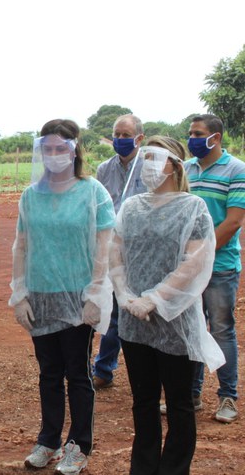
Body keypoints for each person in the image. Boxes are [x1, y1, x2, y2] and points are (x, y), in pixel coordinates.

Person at [110, 135, 224, 474]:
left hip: (176, 322)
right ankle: (143, 467)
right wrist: (124, 294)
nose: (147, 165)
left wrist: (155, 298)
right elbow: (114, 251)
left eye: (154, 158)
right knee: (143, 401)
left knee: (178, 403)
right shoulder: (132, 206)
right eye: (144, 159)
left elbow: (194, 263)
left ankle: (174, 468)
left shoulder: (193, 207)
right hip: (134, 320)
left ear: (174, 165)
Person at [9, 119, 114, 475]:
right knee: (49, 372)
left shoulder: (93, 192)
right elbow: (21, 246)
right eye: (48, 149)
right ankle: (49, 440)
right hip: (40, 295)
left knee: (78, 373)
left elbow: (104, 246)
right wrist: (19, 294)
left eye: (60, 148)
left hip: (77, 297)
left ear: (74, 150)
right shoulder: (31, 195)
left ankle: (79, 445)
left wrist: (96, 294)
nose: (53, 155)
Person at [184, 113, 245, 423]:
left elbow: (233, 221)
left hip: (219, 267)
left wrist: (201, 255)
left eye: (197, 133)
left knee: (221, 329)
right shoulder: (186, 169)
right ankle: (191, 394)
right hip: (188, 267)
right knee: (192, 330)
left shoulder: (236, 170)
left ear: (216, 137)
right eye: (191, 133)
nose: (191, 139)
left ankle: (227, 396)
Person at [92, 114, 147, 390]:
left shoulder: (150, 166)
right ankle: (104, 368)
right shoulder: (104, 169)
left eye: (126, 135)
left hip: (142, 249)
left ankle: (152, 374)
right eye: (117, 135)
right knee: (113, 310)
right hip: (113, 249)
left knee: (142, 308)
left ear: (139, 138)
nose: (120, 140)